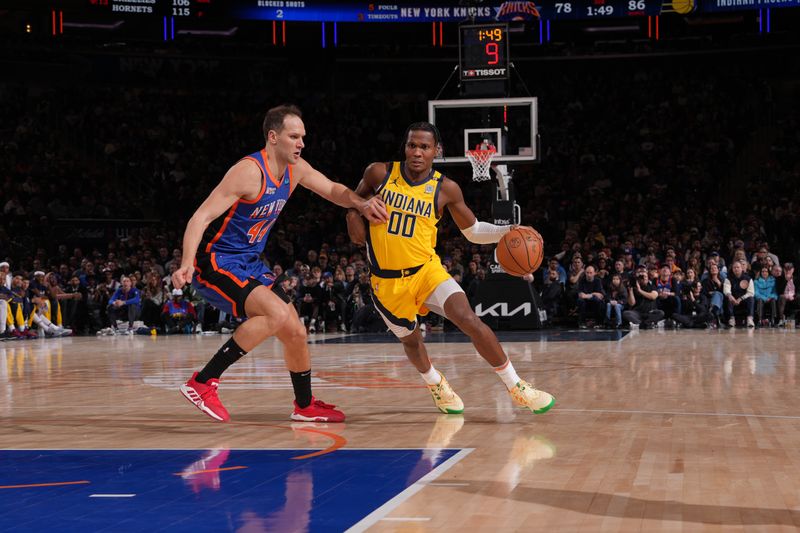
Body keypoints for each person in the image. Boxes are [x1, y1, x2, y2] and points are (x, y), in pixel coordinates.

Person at [172, 104, 387, 423]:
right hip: (217, 261)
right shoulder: (249, 171)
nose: (301, 143)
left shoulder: (295, 169)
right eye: (294, 136)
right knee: (274, 313)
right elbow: (200, 216)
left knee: (295, 330)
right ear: (273, 137)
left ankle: (304, 405)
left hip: (249, 262)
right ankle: (202, 382)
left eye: (303, 137)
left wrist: (362, 202)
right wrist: (187, 262)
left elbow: (330, 189)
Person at [346, 121, 554, 415]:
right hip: (387, 281)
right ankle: (435, 383)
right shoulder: (379, 173)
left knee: (468, 318)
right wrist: (353, 217)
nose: (417, 152)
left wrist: (508, 230)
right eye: (412, 145)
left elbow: (472, 231)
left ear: (436, 151)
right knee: (412, 340)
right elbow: (353, 202)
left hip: (426, 271)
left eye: (424, 147)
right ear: (405, 147)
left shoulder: (446, 189)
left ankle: (517, 386)